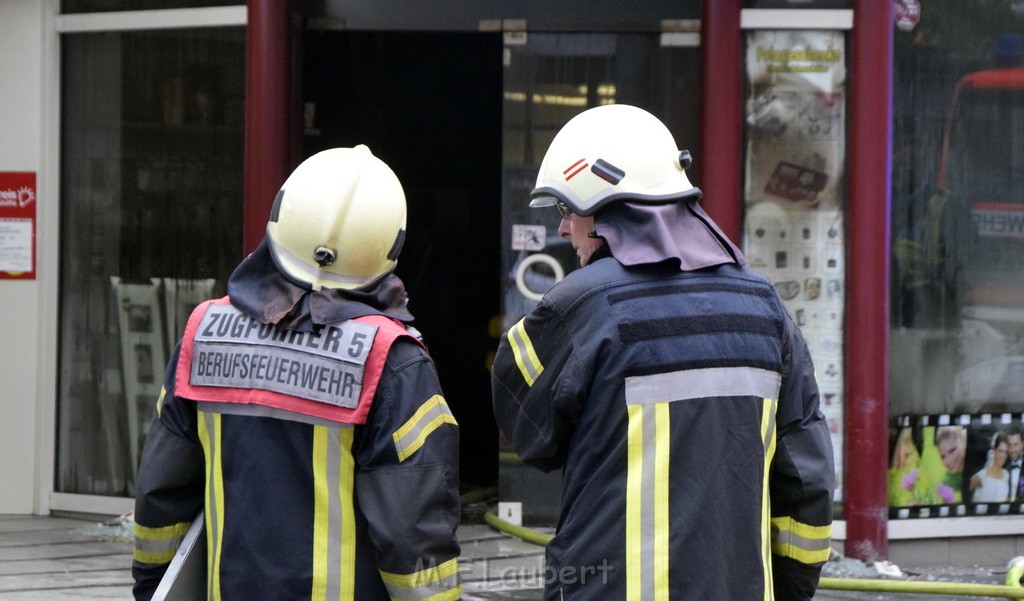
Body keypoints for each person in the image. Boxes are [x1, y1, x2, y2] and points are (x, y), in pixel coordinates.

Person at [490, 104, 835, 601]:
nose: (564, 229)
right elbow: (807, 483)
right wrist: (787, 588)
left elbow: (528, 434)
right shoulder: (765, 308)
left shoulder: (580, 307)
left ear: (607, 204)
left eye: (568, 210)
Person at [132, 146, 462, 601]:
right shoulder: (393, 360)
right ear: (389, 248)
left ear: (281, 217)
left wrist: (152, 587)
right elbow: (413, 536)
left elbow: (160, 497)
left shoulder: (204, 332)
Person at [969, 430, 1010, 503]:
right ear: (994, 450)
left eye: (1006, 452)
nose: (1003, 456)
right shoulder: (981, 476)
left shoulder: (1007, 475)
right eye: (1000, 451)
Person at [1005, 427, 1024, 502]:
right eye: (1010, 445)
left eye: (1016, 444)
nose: (1013, 449)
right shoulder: (1005, 470)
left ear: (1023, 444)